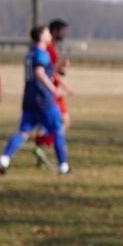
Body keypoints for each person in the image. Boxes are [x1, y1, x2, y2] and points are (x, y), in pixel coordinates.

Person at [0, 25, 70, 175]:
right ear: (41, 36)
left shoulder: (30, 53)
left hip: (29, 98)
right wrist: (53, 89)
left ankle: (4, 159)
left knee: (24, 132)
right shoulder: (42, 53)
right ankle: (64, 166)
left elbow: (45, 70)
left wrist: (58, 67)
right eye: (48, 33)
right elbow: (39, 72)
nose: (50, 35)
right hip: (43, 99)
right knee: (57, 129)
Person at [33, 18, 73, 167]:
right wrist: (59, 72)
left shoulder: (51, 47)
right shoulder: (48, 49)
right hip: (50, 90)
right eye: (63, 31)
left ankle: (42, 150)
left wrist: (61, 71)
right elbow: (46, 71)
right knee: (62, 122)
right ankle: (44, 147)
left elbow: (51, 70)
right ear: (55, 31)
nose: (65, 34)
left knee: (48, 124)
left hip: (51, 88)